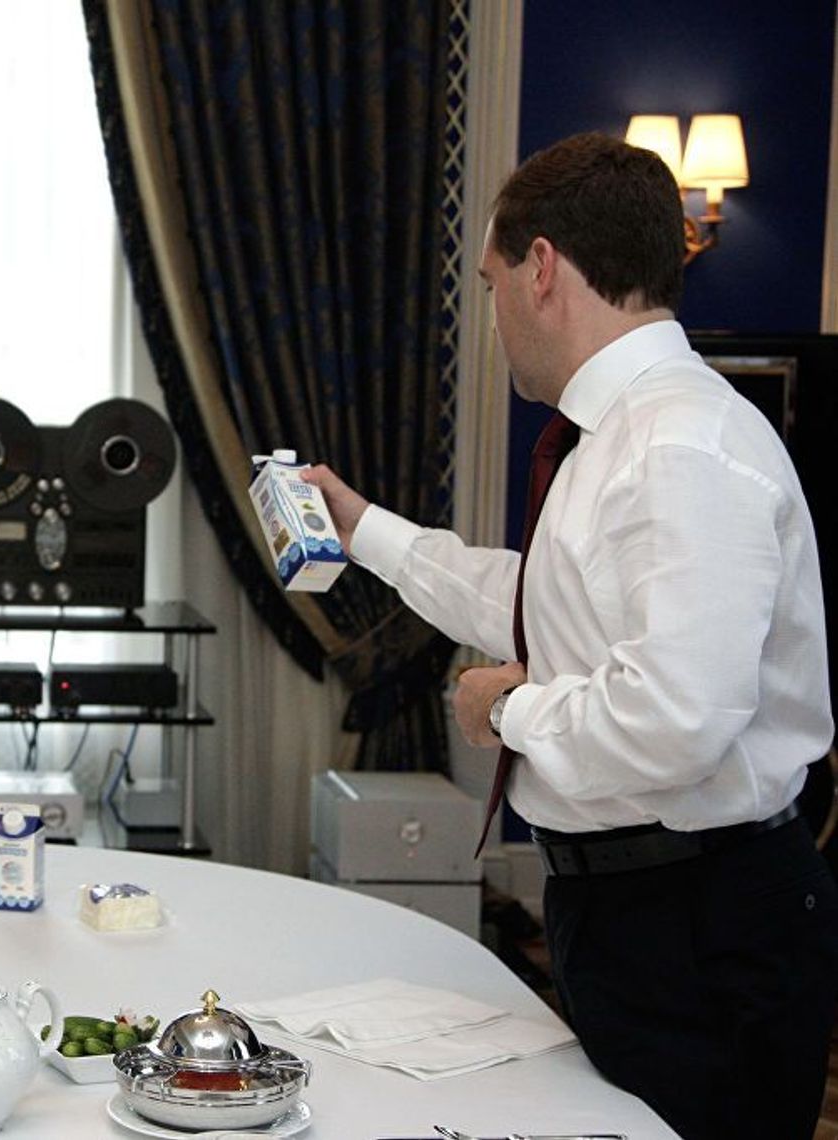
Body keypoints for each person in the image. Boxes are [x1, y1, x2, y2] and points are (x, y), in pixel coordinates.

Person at [305, 133, 838, 1140]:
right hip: (643, 910)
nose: (493, 310)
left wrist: (502, 705)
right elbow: (538, 601)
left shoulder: (680, 445)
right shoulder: (626, 434)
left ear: (542, 269)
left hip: (701, 921)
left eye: (494, 279)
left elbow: (675, 720)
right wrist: (362, 529)